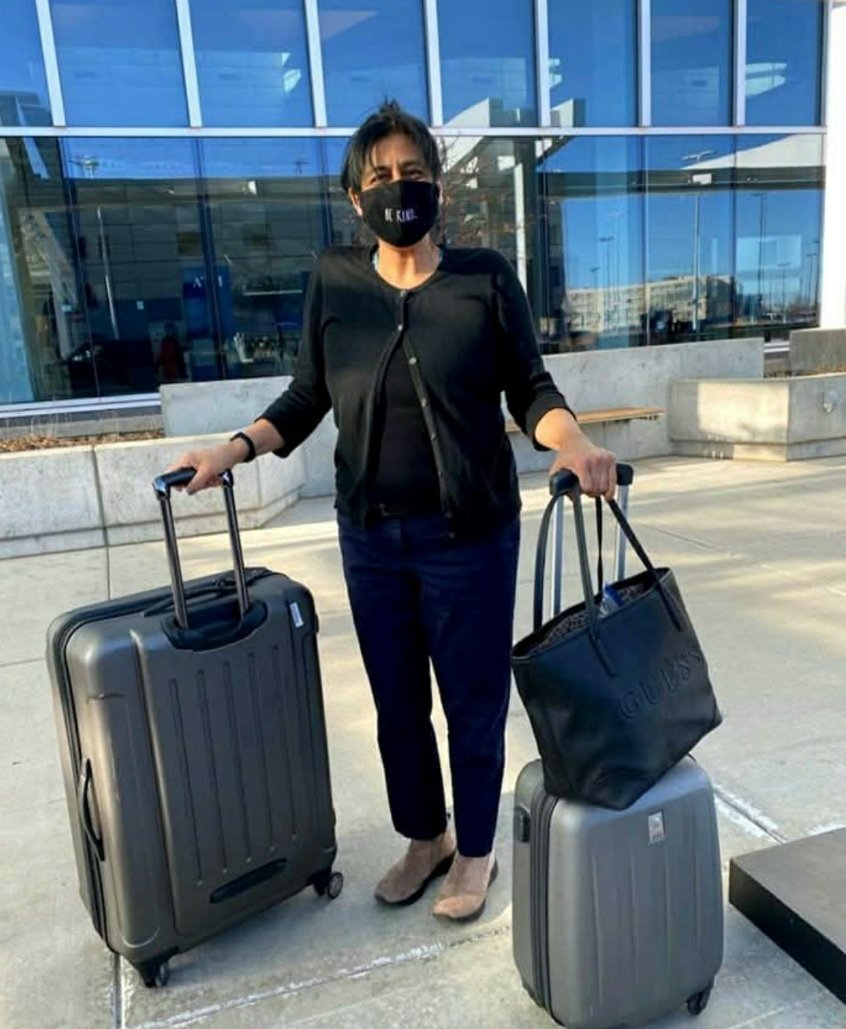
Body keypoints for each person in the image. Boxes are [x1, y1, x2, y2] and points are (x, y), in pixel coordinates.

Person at [170, 102, 616, 922]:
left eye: (412, 172)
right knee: (397, 705)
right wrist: (232, 450)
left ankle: (474, 850)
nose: (397, 188)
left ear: (438, 185)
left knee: (472, 702)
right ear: (354, 197)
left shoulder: (484, 278)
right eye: (379, 177)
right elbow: (305, 395)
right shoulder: (335, 281)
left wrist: (575, 442)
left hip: (468, 538)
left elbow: (530, 388)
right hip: (371, 538)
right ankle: (425, 837)